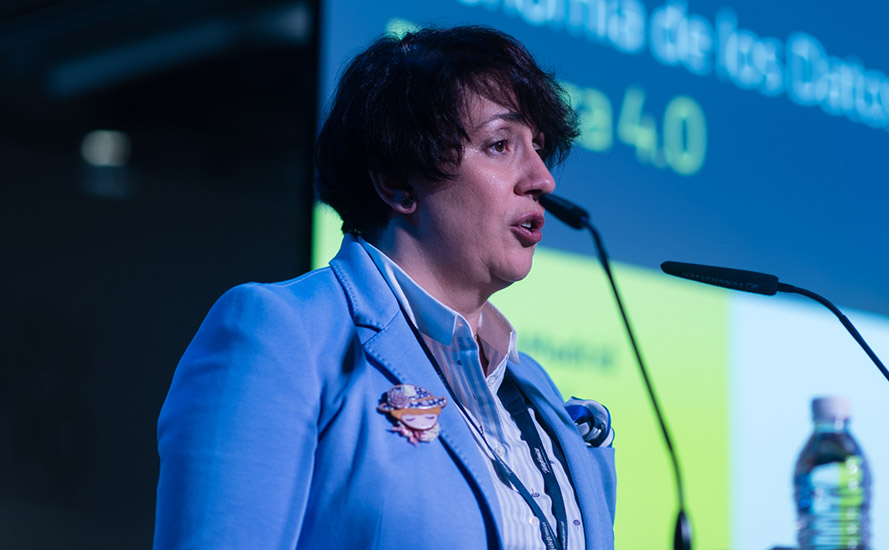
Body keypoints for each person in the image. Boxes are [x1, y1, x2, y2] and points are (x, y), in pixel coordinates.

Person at [153, 25, 616, 550]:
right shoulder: (280, 334)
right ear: (397, 181)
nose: (542, 179)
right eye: (500, 145)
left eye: (539, 148)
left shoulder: (536, 391)